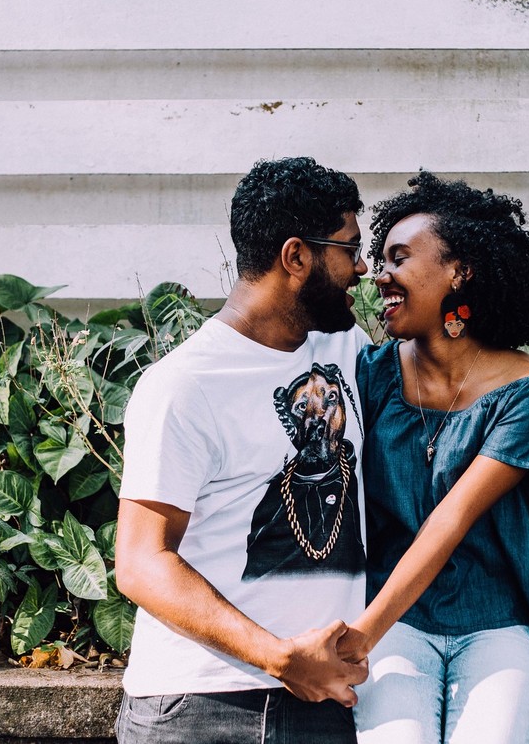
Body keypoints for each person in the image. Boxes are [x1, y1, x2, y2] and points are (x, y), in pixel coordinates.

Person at [113, 156, 373, 744]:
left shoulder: (343, 345)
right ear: (296, 257)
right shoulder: (183, 386)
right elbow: (140, 561)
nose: (361, 267)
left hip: (325, 698)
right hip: (202, 707)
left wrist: (516, 509)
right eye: (349, 249)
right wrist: (279, 657)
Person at [339, 172, 529, 743]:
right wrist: (371, 631)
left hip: (498, 621)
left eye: (399, 257)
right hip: (398, 620)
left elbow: (453, 517)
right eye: (379, 259)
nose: (380, 276)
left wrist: (356, 639)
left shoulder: (528, 391)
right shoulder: (369, 374)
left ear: (459, 271)